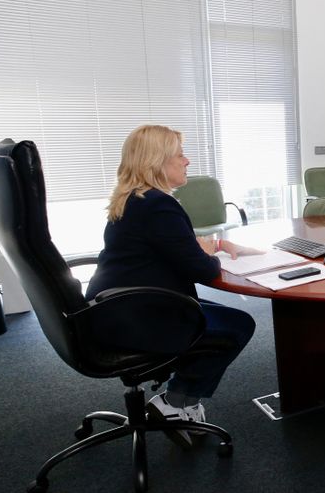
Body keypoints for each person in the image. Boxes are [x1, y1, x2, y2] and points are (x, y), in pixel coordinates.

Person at [85, 125, 257, 447]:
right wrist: (207, 253)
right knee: (238, 325)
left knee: (223, 315)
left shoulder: (133, 200)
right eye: (179, 155)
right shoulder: (158, 206)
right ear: (157, 162)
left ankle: (180, 401)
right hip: (136, 316)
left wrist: (202, 244)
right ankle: (176, 403)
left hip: (111, 308)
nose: (187, 161)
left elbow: (161, 246)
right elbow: (202, 270)